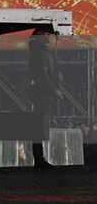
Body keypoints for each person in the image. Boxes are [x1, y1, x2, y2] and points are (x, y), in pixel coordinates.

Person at [28, 34, 62, 168]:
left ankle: (39, 158)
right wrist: (55, 90)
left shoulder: (38, 53)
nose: (48, 38)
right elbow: (42, 76)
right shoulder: (38, 54)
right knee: (39, 126)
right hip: (42, 95)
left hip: (42, 95)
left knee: (40, 126)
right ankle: (39, 159)